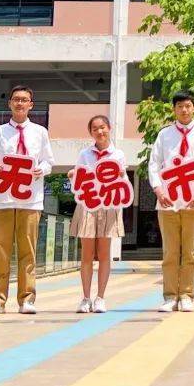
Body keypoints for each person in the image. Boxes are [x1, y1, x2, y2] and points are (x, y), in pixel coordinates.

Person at [0, 85, 55, 315]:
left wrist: (40, 169)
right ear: (10, 103)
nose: (20, 103)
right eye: (16, 99)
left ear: (31, 104)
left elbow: (48, 162)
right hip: (3, 199)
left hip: (30, 200)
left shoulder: (40, 132)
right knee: (1, 250)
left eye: (24, 100)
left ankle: (27, 299)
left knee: (28, 251)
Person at [148, 90, 194, 313]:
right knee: (170, 252)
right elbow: (154, 164)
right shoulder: (164, 135)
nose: (184, 110)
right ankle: (170, 296)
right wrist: (159, 190)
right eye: (180, 106)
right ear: (174, 110)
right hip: (168, 202)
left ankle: (187, 294)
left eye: (188, 106)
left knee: (190, 251)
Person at [68, 115, 127, 314]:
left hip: (108, 206)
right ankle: (85, 298)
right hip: (88, 205)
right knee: (86, 254)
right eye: (95, 129)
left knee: (104, 254)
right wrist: (73, 175)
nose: (100, 132)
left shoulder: (118, 155)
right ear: (91, 133)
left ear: (109, 128)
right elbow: (79, 177)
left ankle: (100, 297)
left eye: (103, 127)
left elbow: (122, 181)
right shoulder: (85, 154)